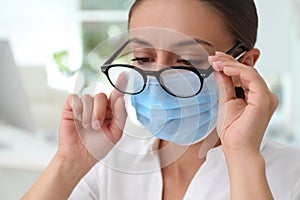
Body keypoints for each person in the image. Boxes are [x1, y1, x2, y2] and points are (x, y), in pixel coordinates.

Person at [22, 0, 300, 199]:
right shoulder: (109, 163)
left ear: (245, 65)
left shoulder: (292, 174)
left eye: (187, 61)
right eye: (143, 58)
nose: (157, 78)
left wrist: (242, 157)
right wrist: (68, 164)